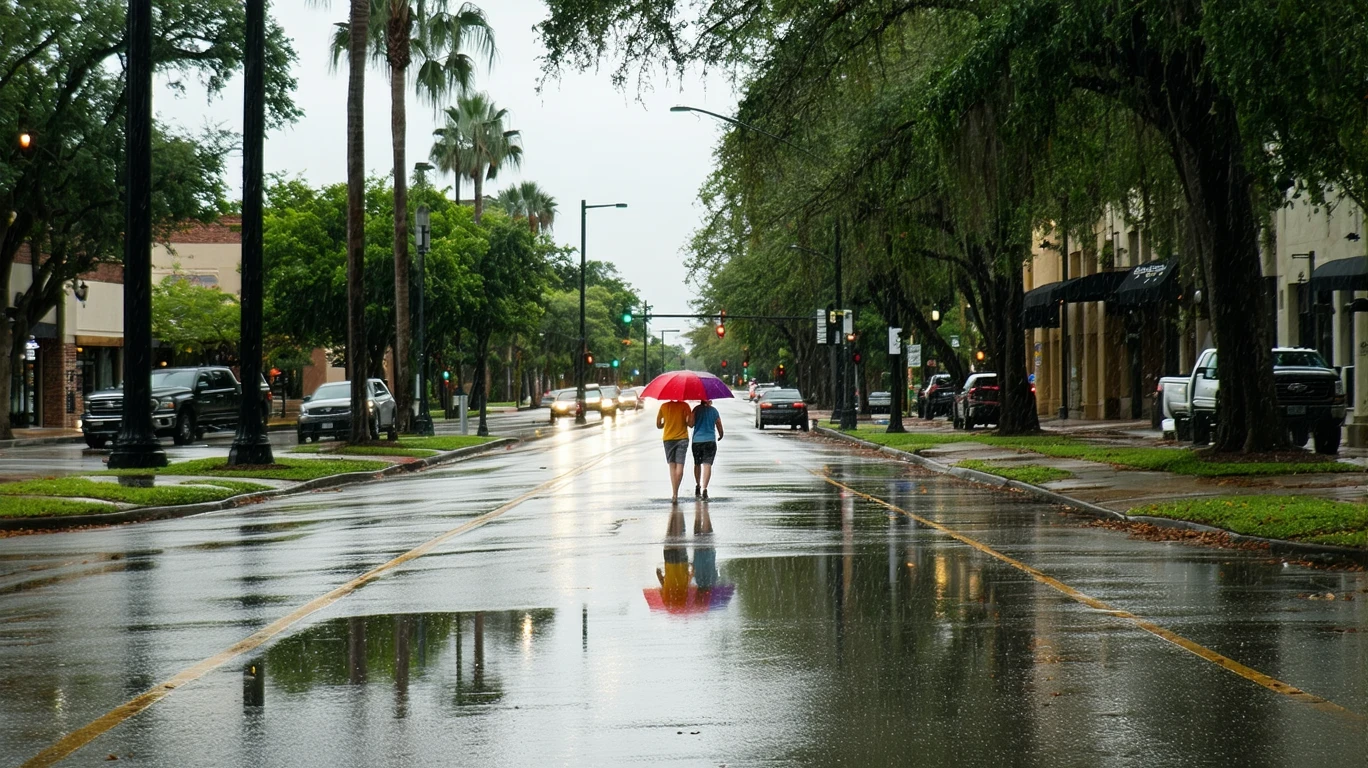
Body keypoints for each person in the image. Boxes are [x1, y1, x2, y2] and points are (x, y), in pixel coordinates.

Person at [656, 398, 693, 503]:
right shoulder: (685, 406)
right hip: (682, 439)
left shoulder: (664, 406)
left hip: (668, 439)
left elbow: (658, 424)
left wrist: (666, 424)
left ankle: (674, 493)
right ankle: (676, 492)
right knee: (680, 467)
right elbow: (690, 423)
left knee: (672, 467)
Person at [690, 398, 723, 500]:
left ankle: (698, 485)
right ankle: (705, 488)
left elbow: (691, 424)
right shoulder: (714, 410)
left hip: (697, 441)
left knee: (697, 464)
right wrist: (721, 434)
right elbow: (718, 424)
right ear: (709, 400)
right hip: (710, 441)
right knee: (707, 465)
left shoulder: (696, 409)